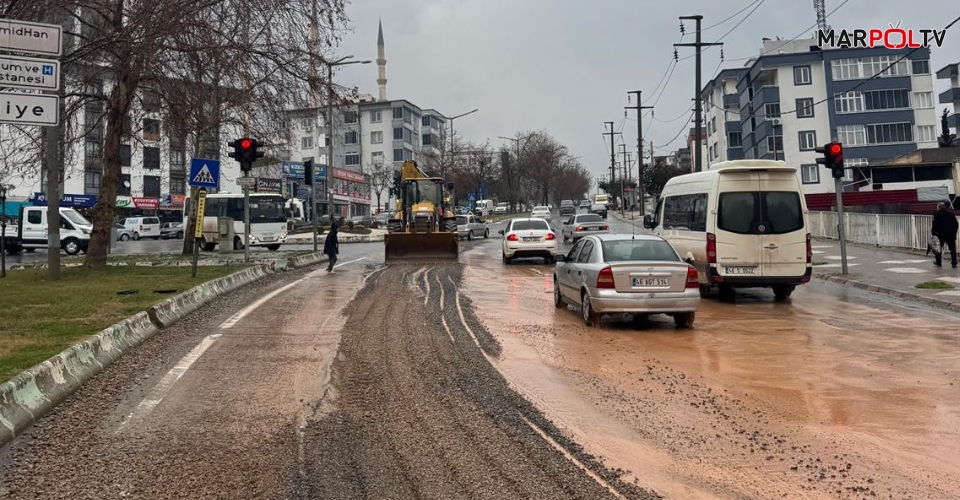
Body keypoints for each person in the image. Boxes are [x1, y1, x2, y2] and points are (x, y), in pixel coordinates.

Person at [932, 201, 958, 268]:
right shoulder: (951, 214)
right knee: (952, 249)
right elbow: (956, 224)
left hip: (940, 235)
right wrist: (954, 233)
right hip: (950, 234)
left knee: (938, 248)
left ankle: (938, 262)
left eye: (937, 207)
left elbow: (935, 225)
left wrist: (934, 233)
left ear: (939, 207)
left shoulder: (937, 214)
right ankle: (954, 263)